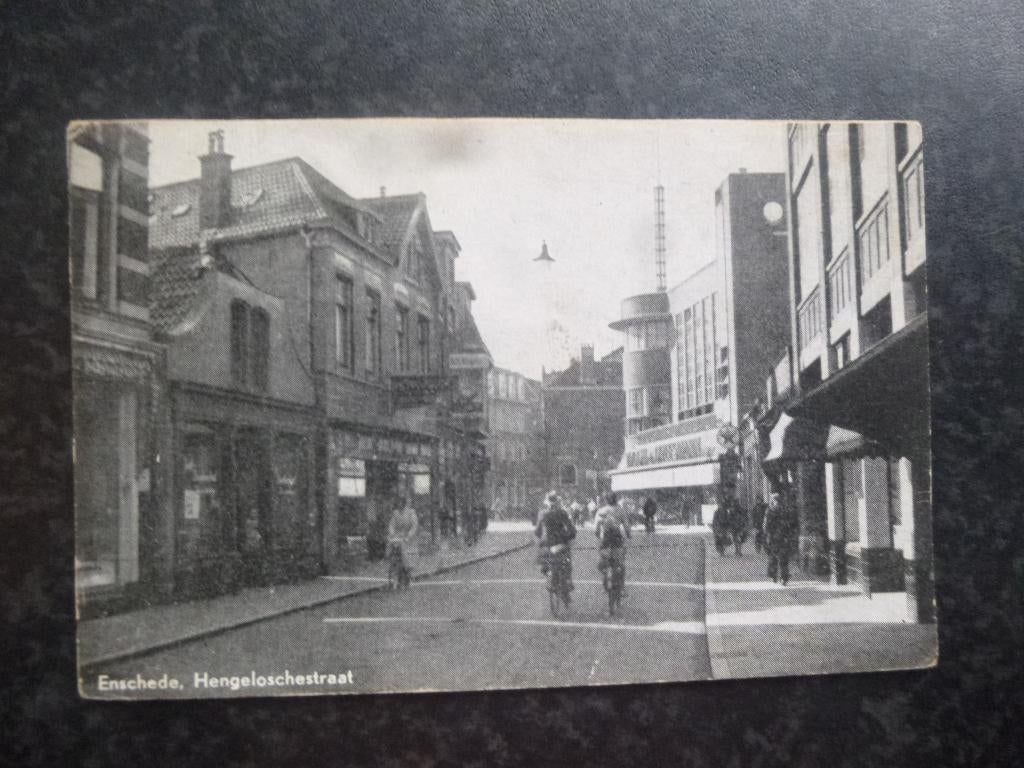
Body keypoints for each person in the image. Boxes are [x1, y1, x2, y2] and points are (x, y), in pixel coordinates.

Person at [535, 492, 576, 586]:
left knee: (543, 560)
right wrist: (571, 535)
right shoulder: (562, 513)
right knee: (567, 560)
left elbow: (537, 531)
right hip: (561, 543)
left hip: (547, 544)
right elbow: (571, 528)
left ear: (546, 503)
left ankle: (548, 575)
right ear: (557, 502)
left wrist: (540, 539)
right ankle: (568, 580)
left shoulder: (542, 514)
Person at [594, 492, 631, 587]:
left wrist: (598, 535)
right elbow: (626, 526)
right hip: (617, 538)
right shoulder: (620, 510)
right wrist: (628, 535)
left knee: (603, 559)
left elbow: (596, 528)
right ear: (616, 500)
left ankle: (605, 576)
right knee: (621, 562)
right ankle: (622, 586)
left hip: (605, 539)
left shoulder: (601, 511)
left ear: (606, 500)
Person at [764, 491, 798, 585]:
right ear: (772, 501)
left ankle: (783, 577)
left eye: (778, 500)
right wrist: (768, 535)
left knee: (782, 557)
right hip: (776, 537)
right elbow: (766, 525)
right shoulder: (770, 511)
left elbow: (790, 524)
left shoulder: (781, 510)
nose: (776, 502)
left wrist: (789, 534)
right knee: (775, 558)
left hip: (782, 537)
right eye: (775, 500)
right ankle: (775, 576)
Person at [388, 496, 420, 575]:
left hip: (408, 538)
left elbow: (414, 526)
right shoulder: (395, 513)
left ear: (405, 504)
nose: (400, 505)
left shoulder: (411, 512)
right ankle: (391, 562)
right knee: (391, 545)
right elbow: (391, 525)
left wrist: (409, 535)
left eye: (402, 503)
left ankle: (408, 568)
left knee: (406, 554)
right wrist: (391, 533)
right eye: (399, 504)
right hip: (398, 537)